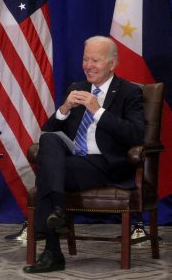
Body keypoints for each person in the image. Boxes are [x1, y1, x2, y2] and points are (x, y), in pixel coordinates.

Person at [23, 36, 145, 273]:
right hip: (73, 160)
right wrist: (64, 109)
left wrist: (98, 111)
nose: (88, 65)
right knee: (49, 140)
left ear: (112, 64)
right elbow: (48, 134)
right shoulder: (76, 89)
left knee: (48, 173)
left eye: (95, 60)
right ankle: (58, 212)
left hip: (105, 163)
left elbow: (136, 135)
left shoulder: (129, 92)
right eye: (85, 59)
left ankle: (52, 251)